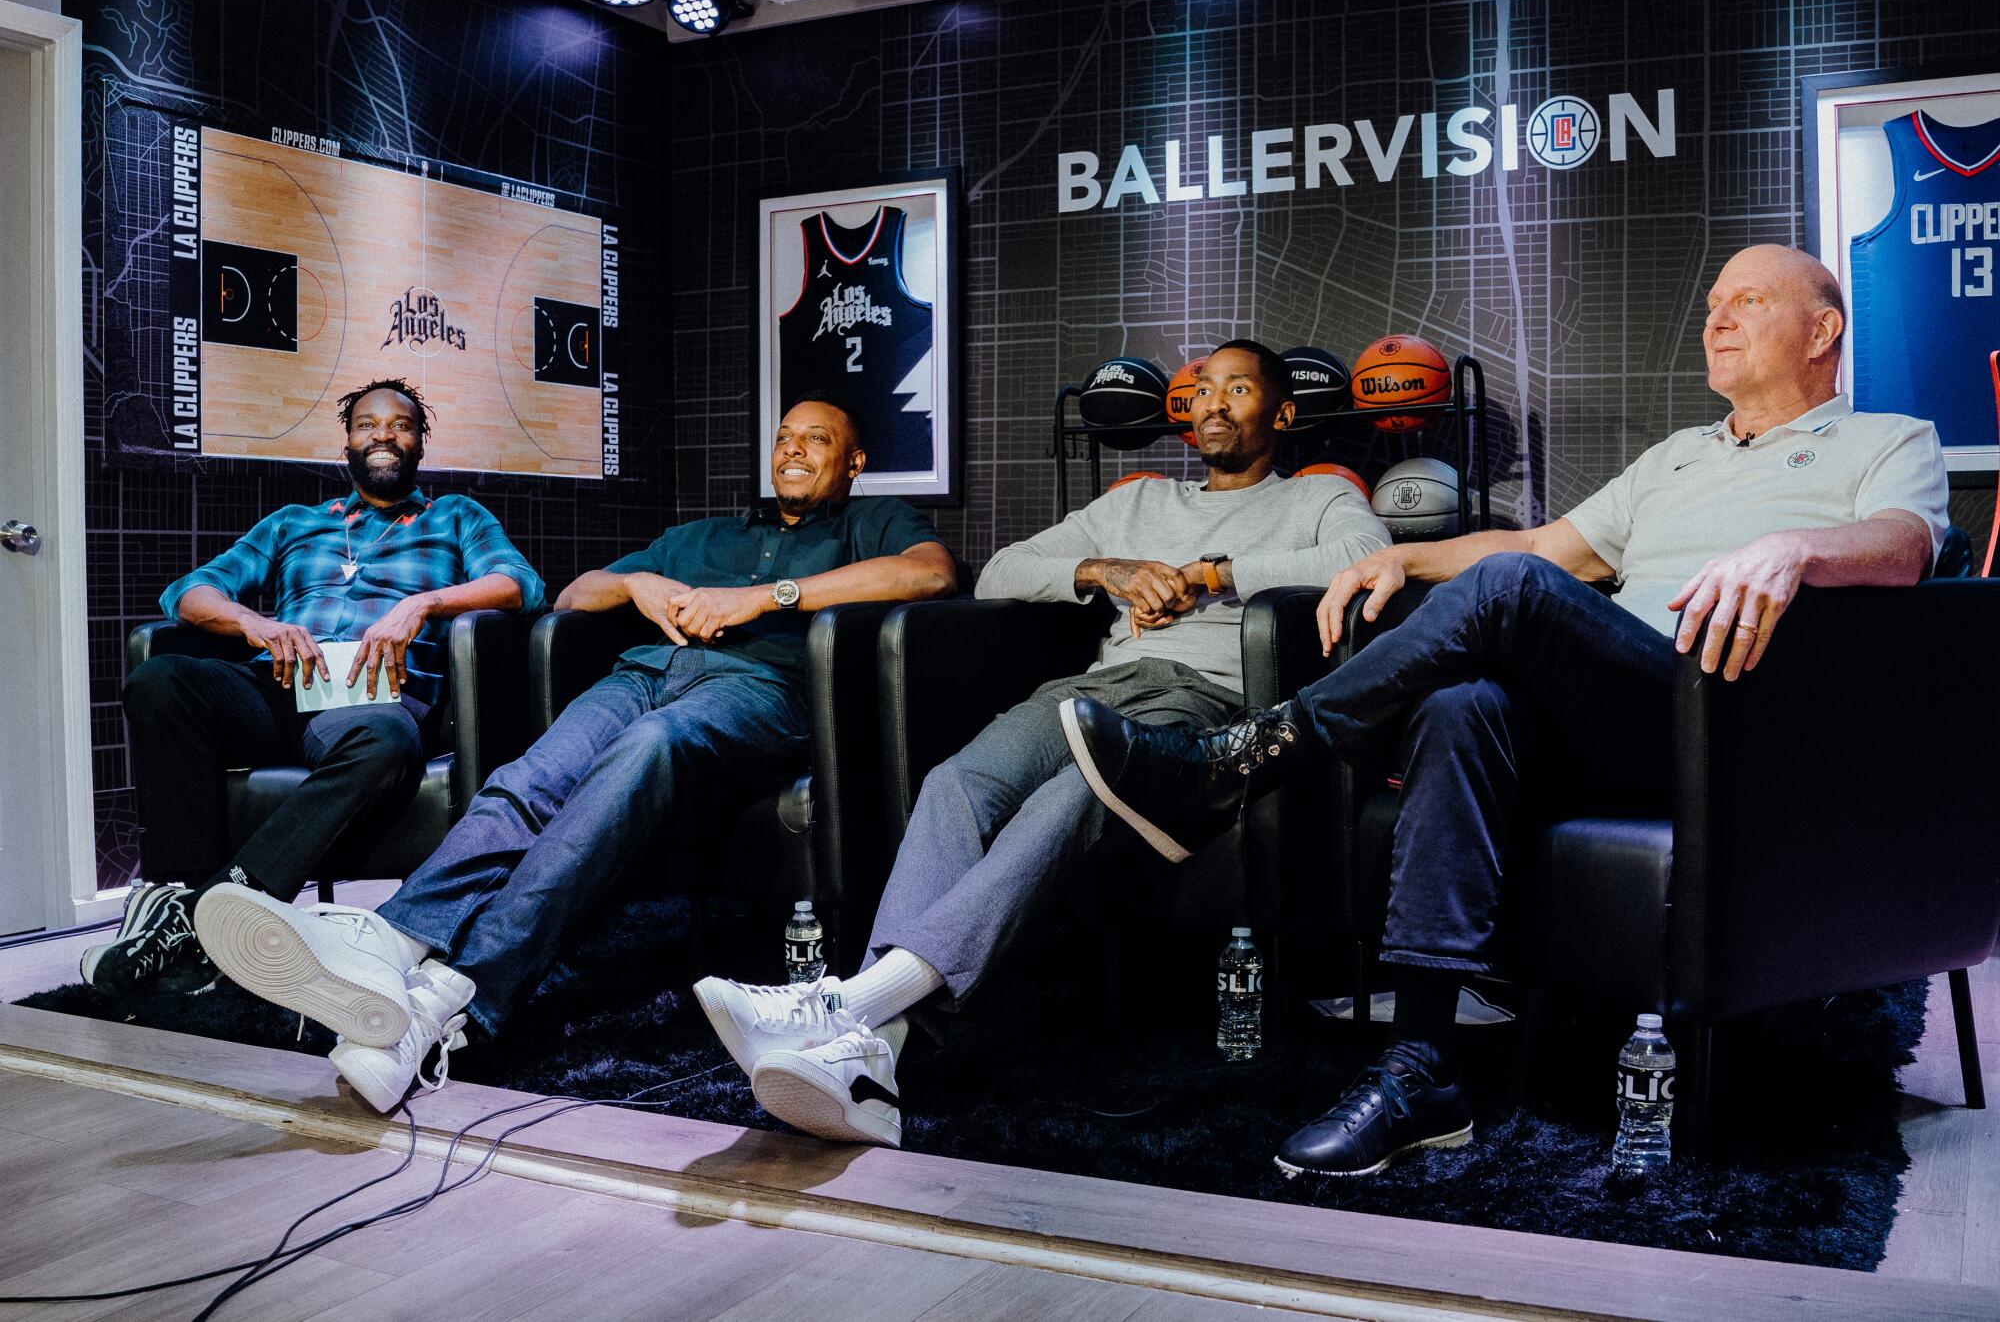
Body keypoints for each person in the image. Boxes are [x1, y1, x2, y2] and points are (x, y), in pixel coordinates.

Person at [1058, 245, 1951, 1179]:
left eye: (1748, 301)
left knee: (1512, 592)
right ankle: (1422, 1069)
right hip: (1624, 719)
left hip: (1732, 723)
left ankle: (1246, 756)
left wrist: (1796, 549)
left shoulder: (1888, 439)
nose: (1715, 320)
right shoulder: (1676, 458)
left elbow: (1911, 544)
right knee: (1463, 704)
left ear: (1823, 329)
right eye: (1714, 304)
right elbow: (1535, 543)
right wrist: (1407, 559)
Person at [693, 340, 1393, 1148]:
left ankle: (849, 1009)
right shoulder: (1139, 503)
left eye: (1238, 389)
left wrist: (1209, 576)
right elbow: (1001, 571)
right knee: (957, 780)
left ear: (1282, 412)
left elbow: (1366, 558)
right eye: (1203, 389)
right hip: (1088, 689)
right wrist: (1106, 568)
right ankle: (872, 1055)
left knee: (1072, 799)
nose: (1213, 403)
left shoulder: (1316, 498)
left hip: (1199, 702)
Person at [193, 393, 957, 1112]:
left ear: (852, 463)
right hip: (644, 673)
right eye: (784, 438)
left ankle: (456, 997)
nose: (791, 451)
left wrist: (770, 597)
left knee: (644, 751)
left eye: (814, 440)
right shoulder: (706, 536)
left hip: (761, 690)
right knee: (529, 777)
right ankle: (392, 942)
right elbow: (572, 594)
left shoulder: (874, 524)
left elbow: (931, 572)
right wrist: (644, 586)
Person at [89, 378, 543, 997]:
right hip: (276, 690)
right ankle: (175, 893)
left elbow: (520, 584)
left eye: (401, 425)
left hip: (372, 702)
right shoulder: (294, 524)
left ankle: (220, 911)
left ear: (420, 443)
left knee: (385, 739)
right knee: (163, 678)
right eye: (366, 425)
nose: (383, 435)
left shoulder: (455, 516)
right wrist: (254, 622)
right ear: (347, 443)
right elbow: (190, 592)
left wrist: (423, 604)